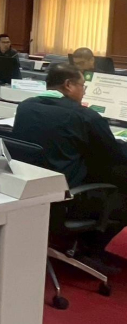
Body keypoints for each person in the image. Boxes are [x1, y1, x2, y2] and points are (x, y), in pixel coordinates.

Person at [13, 64, 127, 264]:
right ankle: (90, 250)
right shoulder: (84, 116)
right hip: (68, 200)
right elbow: (115, 154)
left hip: (32, 191)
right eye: (83, 86)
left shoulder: (26, 106)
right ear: (68, 85)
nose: (84, 92)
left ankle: (77, 242)